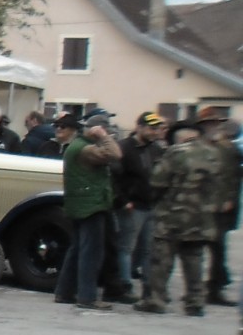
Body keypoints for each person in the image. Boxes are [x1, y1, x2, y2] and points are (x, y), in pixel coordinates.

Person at [137, 110, 232, 316]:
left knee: (162, 260)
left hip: (172, 215)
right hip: (201, 217)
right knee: (194, 259)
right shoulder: (214, 154)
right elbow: (220, 186)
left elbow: (157, 182)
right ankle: (195, 302)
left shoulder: (176, 153)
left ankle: (156, 299)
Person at [52, 113, 122, 310]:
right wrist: (104, 137)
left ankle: (64, 292)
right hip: (91, 206)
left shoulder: (77, 146)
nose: (109, 133)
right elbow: (116, 154)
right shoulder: (86, 149)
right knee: (91, 253)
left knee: (77, 250)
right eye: (105, 129)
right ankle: (87, 296)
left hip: (81, 205)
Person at [113, 111, 167, 296]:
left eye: (156, 129)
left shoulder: (155, 149)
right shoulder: (124, 148)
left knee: (147, 249)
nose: (155, 132)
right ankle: (124, 285)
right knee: (126, 247)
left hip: (150, 205)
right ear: (140, 127)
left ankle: (148, 287)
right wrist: (123, 201)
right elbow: (114, 178)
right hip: (132, 206)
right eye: (151, 128)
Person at [207, 118, 242, 306]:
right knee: (217, 248)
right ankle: (216, 286)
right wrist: (226, 200)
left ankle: (217, 282)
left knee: (215, 248)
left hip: (217, 205)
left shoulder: (219, 147)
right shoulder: (226, 149)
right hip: (220, 207)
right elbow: (227, 177)